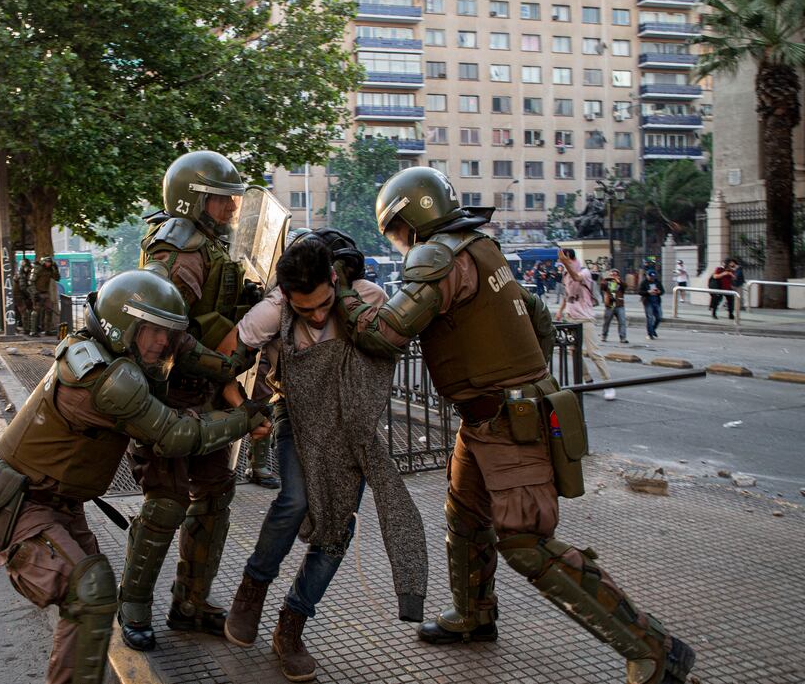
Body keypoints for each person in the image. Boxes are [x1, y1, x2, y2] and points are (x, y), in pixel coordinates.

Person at [335, 166, 695, 684]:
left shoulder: (437, 256)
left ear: (411, 220)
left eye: (395, 230)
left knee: (525, 541)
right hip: (490, 417)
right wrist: (524, 375)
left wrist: (344, 289)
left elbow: (384, 334)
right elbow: (537, 317)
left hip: (505, 420)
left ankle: (653, 648)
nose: (397, 243)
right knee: (464, 519)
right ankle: (474, 616)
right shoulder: (481, 247)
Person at [0, 270, 270, 684]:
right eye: (153, 331)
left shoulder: (105, 356)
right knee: (91, 590)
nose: (162, 343)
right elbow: (176, 435)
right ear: (123, 326)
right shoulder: (109, 379)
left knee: (90, 604)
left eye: (167, 334)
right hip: (25, 506)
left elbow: (186, 369)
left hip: (57, 502)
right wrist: (243, 418)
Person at [221, 232, 427, 682]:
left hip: (349, 430)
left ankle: (291, 626)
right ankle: (251, 591)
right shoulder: (273, 309)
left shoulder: (367, 299)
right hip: (294, 418)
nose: (315, 315)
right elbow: (223, 356)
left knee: (336, 530)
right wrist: (243, 411)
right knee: (294, 501)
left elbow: (394, 343)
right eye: (304, 308)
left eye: (322, 304)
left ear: (335, 279)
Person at [118, 150, 260, 651]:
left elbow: (205, 314)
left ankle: (190, 603)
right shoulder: (176, 252)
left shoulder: (208, 247)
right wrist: (225, 365)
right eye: (222, 200)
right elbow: (164, 333)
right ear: (194, 199)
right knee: (166, 502)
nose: (230, 210)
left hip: (202, 396)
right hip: (169, 396)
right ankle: (132, 606)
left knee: (215, 493)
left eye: (232, 201)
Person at [557, 249, 615, 400]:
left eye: (566, 260)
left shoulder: (585, 272)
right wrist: (560, 311)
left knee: (593, 352)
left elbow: (576, 278)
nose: (563, 263)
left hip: (585, 317)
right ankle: (587, 379)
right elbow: (567, 295)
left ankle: (608, 384)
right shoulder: (564, 275)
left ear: (572, 259)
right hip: (571, 317)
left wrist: (565, 263)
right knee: (574, 352)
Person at [31, 257, 61, 336]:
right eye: (47, 262)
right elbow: (31, 282)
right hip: (37, 293)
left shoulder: (50, 270)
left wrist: (55, 268)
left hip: (46, 293)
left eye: (49, 262)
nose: (48, 264)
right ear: (43, 262)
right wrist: (35, 293)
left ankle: (48, 330)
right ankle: (33, 331)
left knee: (49, 310)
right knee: (36, 312)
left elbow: (57, 278)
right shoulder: (37, 269)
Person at [599, 269, 629, 344]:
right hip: (610, 305)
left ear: (618, 275)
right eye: (612, 274)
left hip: (619, 305)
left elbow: (625, 286)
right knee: (607, 321)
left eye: (615, 274)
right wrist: (606, 279)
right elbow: (602, 286)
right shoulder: (607, 282)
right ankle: (604, 335)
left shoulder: (620, 283)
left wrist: (619, 281)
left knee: (622, 322)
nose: (614, 276)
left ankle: (623, 337)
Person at [638, 270, 665, 340]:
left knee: (659, 317)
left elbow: (662, 291)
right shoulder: (644, 282)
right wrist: (648, 292)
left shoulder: (657, 282)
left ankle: (653, 329)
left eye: (653, 277)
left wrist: (659, 292)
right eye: (650, 277)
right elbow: (640, 291)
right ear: (647, 276)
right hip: (648, 302)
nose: (652, 278)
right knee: (650, 318)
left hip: (656, 301)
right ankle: (650, 334)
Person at [16, 257, 34, 332]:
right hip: (21, 296)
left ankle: (28, 327)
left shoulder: (24, 273)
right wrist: (29, 295)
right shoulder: (22, 275)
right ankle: (26, 329)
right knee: (25, 313)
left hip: (24, 295)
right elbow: (23, 287)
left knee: (28, 312)